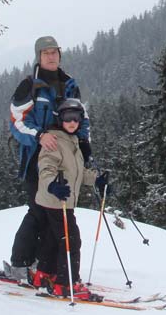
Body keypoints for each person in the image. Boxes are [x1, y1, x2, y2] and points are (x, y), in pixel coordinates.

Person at [2, 35, 92, 285]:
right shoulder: (29, 86)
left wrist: (85, 147)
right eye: (46, 53)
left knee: (56, 213)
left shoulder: (69, 84)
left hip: (65, 158)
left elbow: (81, 118)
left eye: (54, 52)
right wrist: (39, 136)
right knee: (38, 211)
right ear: (38, 57)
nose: (51, 56)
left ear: (59, 55)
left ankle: (44, 265)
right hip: (35, 159)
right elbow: (17, 122)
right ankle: (20, 263)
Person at [35, 98, 109, 299]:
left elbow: (78, 173)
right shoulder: (54, 140)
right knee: (71, 240)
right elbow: (46, 168)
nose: (72, 122)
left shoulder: (73, 141)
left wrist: (96, 180)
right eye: (68, 117)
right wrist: (53, 185)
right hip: (56, 200)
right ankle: (67, 283)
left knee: (54, 239)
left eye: (76, 118)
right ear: (60, 118)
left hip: (62, 200)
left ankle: (44, 274)